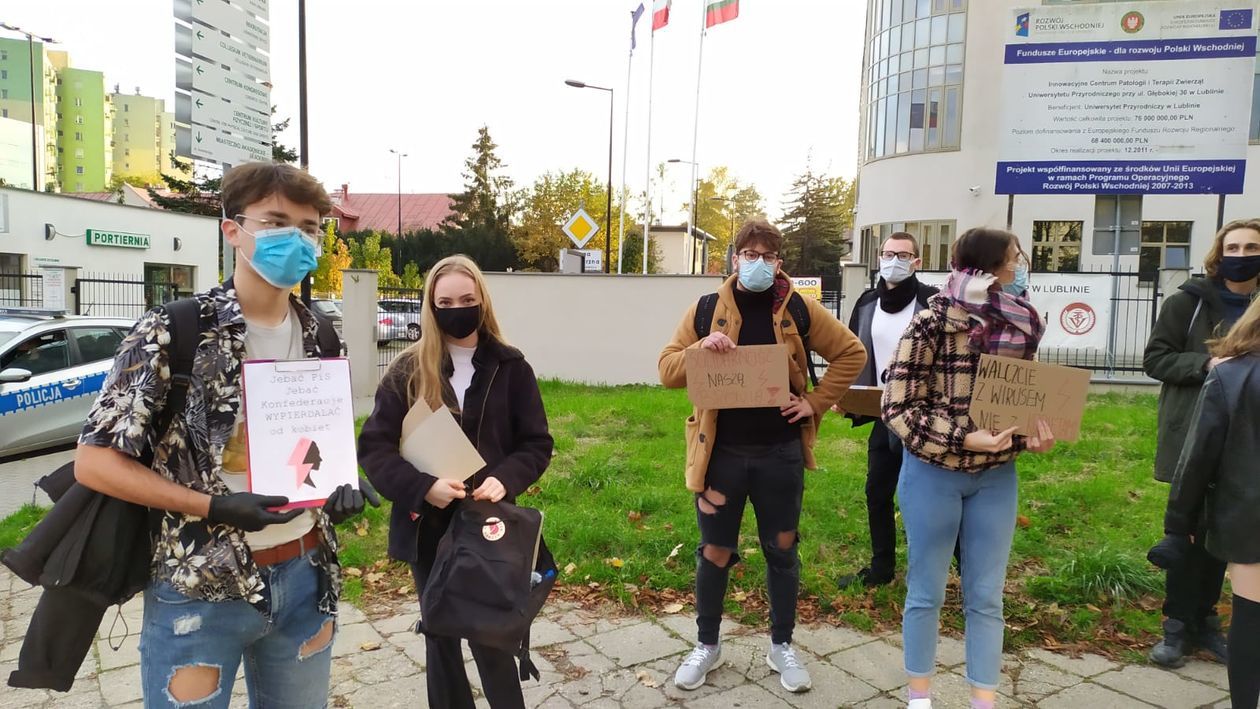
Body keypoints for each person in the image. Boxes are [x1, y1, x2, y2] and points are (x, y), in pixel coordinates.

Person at [74, 162, 375, 708]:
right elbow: (95, 463)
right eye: (278, 221)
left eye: (310, 228)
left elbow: (313, 446)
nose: (299, 239)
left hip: (307, 577)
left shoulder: (321, 335)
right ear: (232, 230)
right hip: (201, 591)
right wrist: (214, 506)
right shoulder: (172, 330)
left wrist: (341, 486)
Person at [658, 219, 867, 693]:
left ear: (779, 262)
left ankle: (782, 645)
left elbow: (851, 353)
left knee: (783, 549)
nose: (757, 263)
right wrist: (698, 349)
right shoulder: (707, 309)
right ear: (735, 259)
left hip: (779, 454)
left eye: (767, 256)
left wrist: (814, 402)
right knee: (714, 551)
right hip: (721, 456)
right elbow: (667, 369)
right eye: (749, 254)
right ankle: (707, 644)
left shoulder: (798, 309)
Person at [358, 255, 553, 709]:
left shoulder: (512, 367)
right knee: (440, 637)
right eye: (445, 301)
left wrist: (504, 479)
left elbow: (536, 444)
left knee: (493, 636)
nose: (457, 308)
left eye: (467, 299)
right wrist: (422, 485)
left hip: (491, 525)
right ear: (431, 306)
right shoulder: (408, 370)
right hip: (428, 527)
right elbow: (374, 447)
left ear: (482, 300)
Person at [881, 227, 1055, 709]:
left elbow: (1023, 400)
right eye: (1014, 257)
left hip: (997, 477)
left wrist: (1033, 433)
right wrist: (962, 438)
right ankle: (919, 696)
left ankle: (984, 699)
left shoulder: (1022, 325)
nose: (1020, 266)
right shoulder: (931, 324)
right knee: (926, 591)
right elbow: (897, 408)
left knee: (986, 596)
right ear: (988, 267)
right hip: (933, 475)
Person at [1143, 218, 1260, 668]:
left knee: (1223, 531)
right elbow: (1157, 358)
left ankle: (1206, 620)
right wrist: (1209, 364)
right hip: (1192, 433)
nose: (1243, 253)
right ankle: (1176, 626)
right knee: (1185, 530)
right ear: (1219, 252)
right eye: (1234, 245)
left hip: (1245, 441)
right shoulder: (1186, 303)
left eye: (1252, 246)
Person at [836, 232, 939, 588]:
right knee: (877, 493)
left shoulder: (933, 302)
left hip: (925, 418)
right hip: (884, 414)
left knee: (927, 497)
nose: (894, 260)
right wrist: (844, 396)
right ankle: (881, 569)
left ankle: (942, 570)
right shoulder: (866, 303)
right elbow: (850, 355)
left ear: (917, 262)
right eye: (888, 253)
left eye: (903, 254)